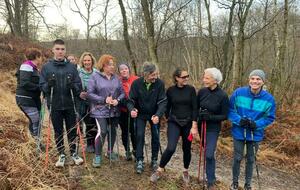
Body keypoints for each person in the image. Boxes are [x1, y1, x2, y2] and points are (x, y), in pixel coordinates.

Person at [229, 69, 276, 190]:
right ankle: (234, 182)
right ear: (249, 80)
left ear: (263, 81)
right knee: (237, 158)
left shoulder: (269, 99)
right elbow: (230, 110)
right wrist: (239, 120)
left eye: (258, 79)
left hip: (255, 133)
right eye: (252, 78)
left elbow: (270, 117)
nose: (255, 81)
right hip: (239, 131)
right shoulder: (238, 93)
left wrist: (256, 124)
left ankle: (247, 184)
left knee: (250, 159)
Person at [40, 39, 84, 167]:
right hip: (55, 105)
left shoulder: (71, 67)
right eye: (58, 49)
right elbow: (42, 87)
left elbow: (78, 86)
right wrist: (48, 84)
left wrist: (73, 86)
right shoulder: (47, 67)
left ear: (65, 51)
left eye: (62, 49)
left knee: (72, 130)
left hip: (70, 104)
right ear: (53, 50)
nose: (60, 51)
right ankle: (61, 154)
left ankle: (73, 153)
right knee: (58, 130)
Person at [150, 68, 198, 183]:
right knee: (171, 147)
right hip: (174, 122)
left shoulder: (191, 90)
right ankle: (159, 170)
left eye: (187, 76)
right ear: (177, 78)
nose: (186, 78)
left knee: (187, 149)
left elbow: (195, 108)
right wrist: (165, 117)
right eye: (184, 77)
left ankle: (185, 171)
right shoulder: (170, 90)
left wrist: (194, 125)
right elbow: (167, 106)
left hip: (188, 123)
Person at [127, 62, 167, 174]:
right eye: (152, 75)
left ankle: (154, 159)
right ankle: (139, 159)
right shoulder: (136, 84)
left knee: (155, 136)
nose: (155, 77)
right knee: (139, 135)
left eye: (156, 74)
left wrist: (158, 114)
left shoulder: (159, 84)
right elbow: (130, 100)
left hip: (154, 114)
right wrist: (132, 109)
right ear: (145, 74)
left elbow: (163, 101)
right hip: (141, 114)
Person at [87, 54, 125, 167]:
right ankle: (97, 156)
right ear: (103, 65)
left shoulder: (116, 78)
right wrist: (104, 99)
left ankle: (109, 151)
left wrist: (118, 100)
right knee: (102, 131)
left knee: (113, 131)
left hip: (114, 110)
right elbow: (89, 94)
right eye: (109, 65)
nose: (112, 67)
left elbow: (122, 93)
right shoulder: (95, 77)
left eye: (113, 65)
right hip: (100, 110)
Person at [197, 68, 229, 190]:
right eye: (204, 77)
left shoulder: (223, 95)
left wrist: (210, 117)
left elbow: (225, 115)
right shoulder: (201, 92)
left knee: (209, 154)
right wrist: (198, 118)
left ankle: (211, 181)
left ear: (215, 80)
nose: (204, 80)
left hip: (213, 128)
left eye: (207, 78)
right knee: (207, 152)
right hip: (202, 126)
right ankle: (210, 175)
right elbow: (195, 107)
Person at [16, 48, 43, 149]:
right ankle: (36, 144)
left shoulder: (34, 68)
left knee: (36, 120)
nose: (41, 59)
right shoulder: (26, 66)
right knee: (35, 120)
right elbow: (24, 83)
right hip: (25, 98)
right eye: (40, 57)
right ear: (37, 57)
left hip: (33, 98)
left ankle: (35, 142)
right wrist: (39, 87)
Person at [118, 62, 138, 160]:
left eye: (125, 68)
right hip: (123, 110)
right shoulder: (118, 81)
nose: (124, 71)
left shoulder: (136, 79)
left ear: (129, 69)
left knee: (134, 131)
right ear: (119, 72)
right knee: (125, 131)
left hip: (135, 110)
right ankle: (127, 150)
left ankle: (135, 150)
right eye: (121, 69)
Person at [78, 52, 97, 153]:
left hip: (93, 102)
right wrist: (79, 93)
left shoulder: (96, 73)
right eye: (85, 60)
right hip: (81, 101)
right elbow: (75, 85)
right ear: (82, 62)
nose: (87, 62)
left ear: (92, 61)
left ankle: (91, 144)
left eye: (88, 60)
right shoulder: (78, 72)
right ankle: (78, 144)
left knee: (92, 123)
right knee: (81, 122)